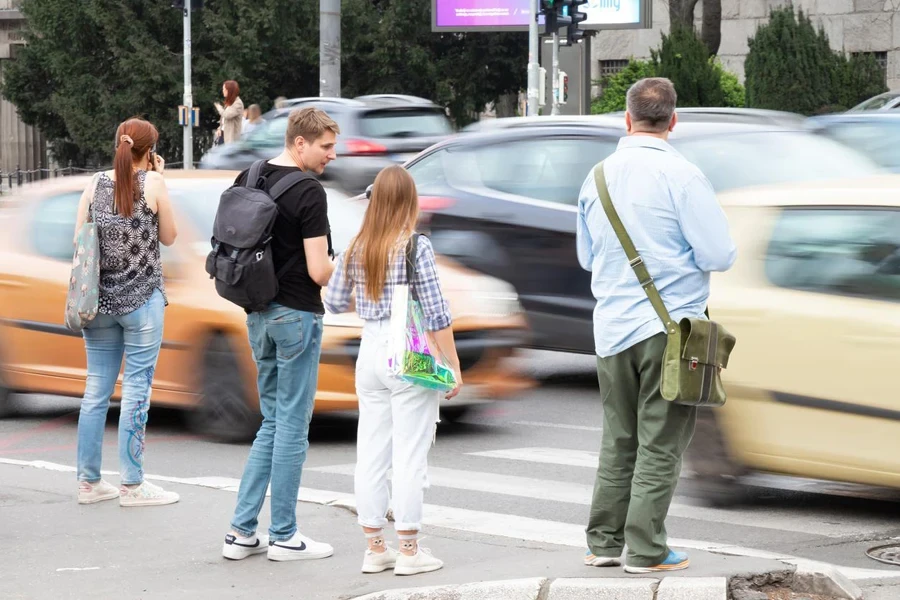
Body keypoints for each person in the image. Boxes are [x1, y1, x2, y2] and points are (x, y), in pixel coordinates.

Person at [576, 78, 737, 573]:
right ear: (673, 122)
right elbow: (718, 253)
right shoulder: (683, 176)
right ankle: (645, 550)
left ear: (627, 119)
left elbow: (586, 257)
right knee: (662, 443)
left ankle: (603, 543)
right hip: (673, 333)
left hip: (611, 328)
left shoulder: (596, 177)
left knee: (619, 437)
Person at [324, 165, 462, 576]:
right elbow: (436, 313)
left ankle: (375, 548)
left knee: (371, 451)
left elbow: (332, 301)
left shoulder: (357, 244)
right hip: (407, 351)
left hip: (369, 350)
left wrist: (371, 302)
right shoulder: (415, 246)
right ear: (409, 201)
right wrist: (452, 365)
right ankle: (409, 550)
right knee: (409, 454)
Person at [222, 107, 340, 562]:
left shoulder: (248, 177)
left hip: (258, 315)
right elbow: (319, 271)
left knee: (271, 422)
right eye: (326, 146)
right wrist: (341, 259)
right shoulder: (310, 192)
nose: (332, 154)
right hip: (296, 316)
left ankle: (241, 531)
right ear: (300, 143)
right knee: (292, 425)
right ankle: (286, 535)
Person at [74, 118, 179, 507]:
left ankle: (89, 483)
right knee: (136, 388)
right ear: (149, 151)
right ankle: (132, 486)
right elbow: (169, 236)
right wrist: (159, 178)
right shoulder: (152, 183)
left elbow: (78, 239)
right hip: (142, 302)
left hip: (98, 302)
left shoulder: (93, 183)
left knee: (95, 390)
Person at [214, 80, 244, 145]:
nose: (223, 91)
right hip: (223, 136)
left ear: (229, 90)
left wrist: (219, 108)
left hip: (231, 139)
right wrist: (220, 128)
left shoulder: (238, 103)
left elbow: (227, 115)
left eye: (224, 89)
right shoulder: (229, 103)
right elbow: (224, 120)